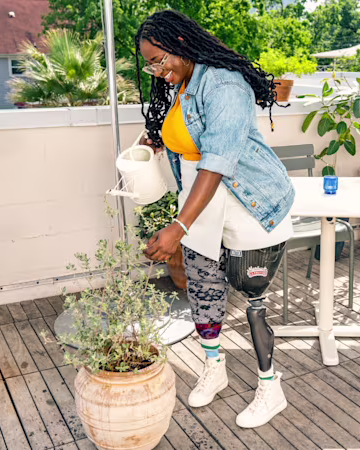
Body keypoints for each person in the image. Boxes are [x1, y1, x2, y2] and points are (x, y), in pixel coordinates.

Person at [134, 10, 295, 428]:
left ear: (181, 44)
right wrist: (159, 142)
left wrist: (178, 227)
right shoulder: (182, 83)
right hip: (200, 204)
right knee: (204, 289)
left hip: (248, 203)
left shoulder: (224, 84)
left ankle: (270, 388)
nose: (156, 71)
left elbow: (218, 161)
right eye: (149, 65)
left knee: (253, 297)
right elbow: (188, 139)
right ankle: (214, 367)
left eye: (158, 60)